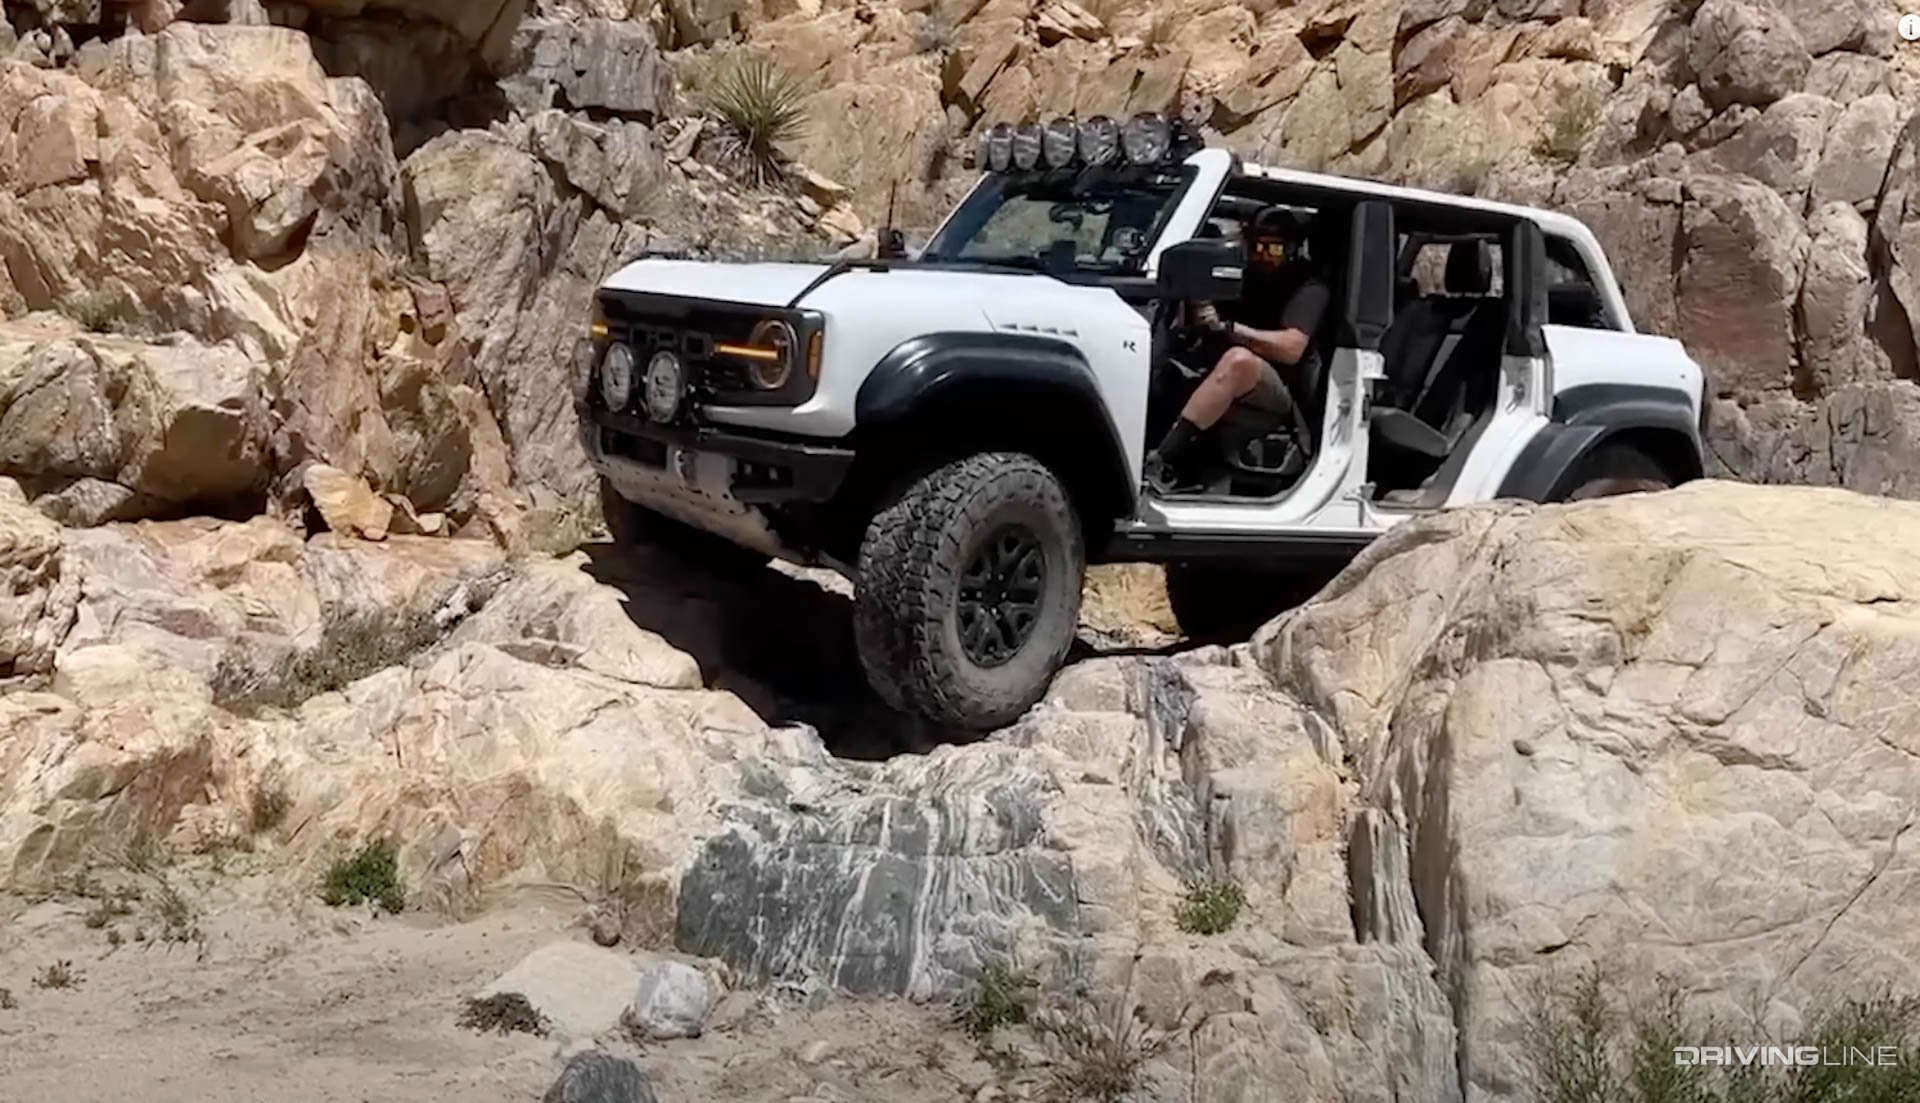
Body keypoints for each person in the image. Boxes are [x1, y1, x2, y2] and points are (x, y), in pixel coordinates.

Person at [1143, 207, 1332, 493]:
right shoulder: (1236, 275)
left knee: (1238, 363)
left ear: (1292, 247)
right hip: (1216, 372)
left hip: (1278, 394)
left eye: (1274, 248)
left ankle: (1163, 461)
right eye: (1257, 245)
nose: (1264, 254)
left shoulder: (1308, 286)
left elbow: (1292, 348)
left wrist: (1230, 329)